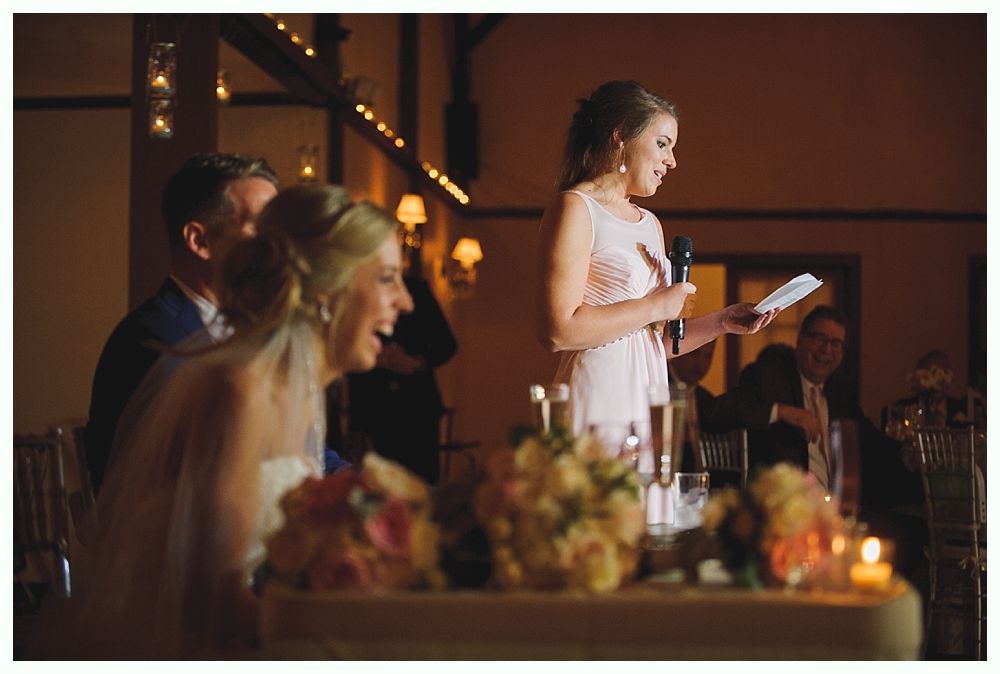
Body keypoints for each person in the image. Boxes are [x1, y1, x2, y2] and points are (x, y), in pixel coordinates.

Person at [38, 184, 413, 658]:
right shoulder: (239, 392)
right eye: (386, 278)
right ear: (325, 288)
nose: (405, 301)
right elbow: (207, 598)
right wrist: (349, 628)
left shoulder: (296, 389)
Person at [535, 80, 779, 438]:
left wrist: (724, 321)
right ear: (620, 137)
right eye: (662, 144)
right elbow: (557, 331)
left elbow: (655, 342)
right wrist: (656, 307)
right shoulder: (576, 208)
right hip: (599, 392)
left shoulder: (649, 224)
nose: (672, 161)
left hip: (648, 397)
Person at [83, 153, 283, 490]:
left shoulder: (251, 328)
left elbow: (294, 447)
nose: (278, 244)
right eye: (261, 227)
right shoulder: (154, 339)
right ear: (200, 241)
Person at [346, 275, 458, 484]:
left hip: (417, 408)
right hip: (372, 407)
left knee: (420, 486)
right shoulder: (353, 289)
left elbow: (447, 345)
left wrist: (415, 362)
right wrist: (377, 359)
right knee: (376, 487)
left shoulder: (414, 290)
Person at [667, 339, 721, 473]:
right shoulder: (659, 387)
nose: (700, 364)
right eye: (695, 354)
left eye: (708, 356)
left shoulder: (706, 399)